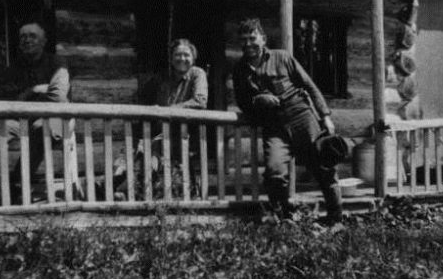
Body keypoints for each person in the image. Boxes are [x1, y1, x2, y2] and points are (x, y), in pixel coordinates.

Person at [232, 18, 343, 222]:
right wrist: (257, 100)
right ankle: (285, 219)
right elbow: (242, 102)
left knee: (323, 167)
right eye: (243, 39)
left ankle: (336, 219)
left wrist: (325, 116)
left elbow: (309, 85)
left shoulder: (282, 57)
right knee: (275, 172)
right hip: (273, 126)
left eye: (252, 38)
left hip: (301, 116)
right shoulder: (239, 70)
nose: (248, 44)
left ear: (263, 39)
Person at [0, 22, 70, 204]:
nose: (27, 40)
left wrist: (26, 94)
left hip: (54, 118)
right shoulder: (12, 69)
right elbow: (6, 100)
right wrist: (35, 90)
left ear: (44, 41)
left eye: (32, 36)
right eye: (23, 37)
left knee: (40, 128)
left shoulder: (56, 63)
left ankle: (20, 183)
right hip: (21, 119)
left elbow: (58, 97)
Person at [112, 38, 208, 199]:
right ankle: (121, 188)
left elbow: (200, 101)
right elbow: (142, 98)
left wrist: (167, 111)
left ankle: (129, 190)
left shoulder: (197, 74)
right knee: (134, 152)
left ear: (193, 57)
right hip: (161, 133)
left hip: (185, 134)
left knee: (153, 153)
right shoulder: (164, 79)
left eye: (186, 54)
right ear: (171, 58)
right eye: (177, 55)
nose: (182, 59)